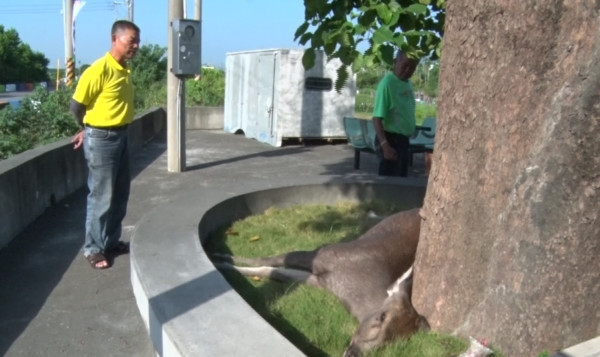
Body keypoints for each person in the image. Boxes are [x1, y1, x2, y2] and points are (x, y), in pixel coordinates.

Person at [70, 20, 140, 269]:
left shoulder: (124, 69)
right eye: (131, 40)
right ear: (115, 39)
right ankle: (93, 248)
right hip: (102, 139)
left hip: (122, 136)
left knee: (120, 194)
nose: (135, 46)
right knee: (101, 196)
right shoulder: (99, 70)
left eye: (137, 41)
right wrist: (87, 129)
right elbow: (77, 105)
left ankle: (110, 242)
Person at [372, 51, 419, 177]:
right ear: (395, 62)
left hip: (403, 140)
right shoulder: (387, 83)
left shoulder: (407, 82)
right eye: (405, 65)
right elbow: (376, 118)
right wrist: (384, 145)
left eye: (412, 67)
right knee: (390, 182)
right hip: (390, 140)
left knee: (401, 179)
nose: (407, 70)